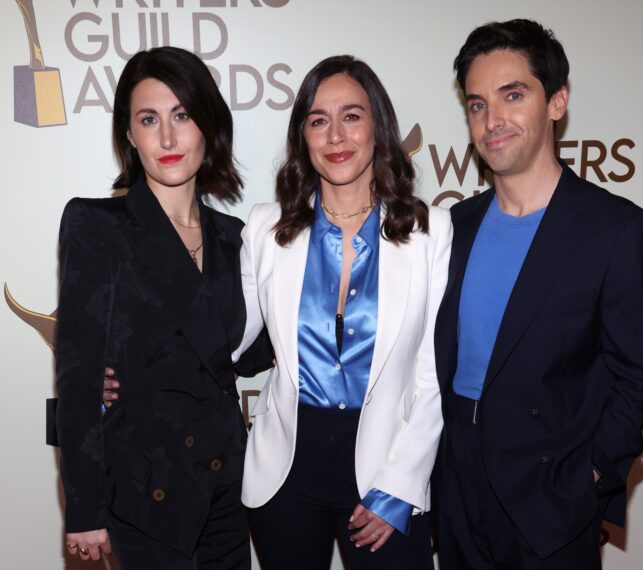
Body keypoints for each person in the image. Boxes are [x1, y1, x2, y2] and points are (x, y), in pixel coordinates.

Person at [432, 19, 643, 569]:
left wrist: (588, 474)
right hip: (456, 489)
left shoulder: (614, 229)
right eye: (477, 104)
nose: (493, 120)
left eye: (513, 95)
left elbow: (641, 376)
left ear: (557, 102)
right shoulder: (452, 226)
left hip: (550, 496)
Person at [231, 55, 451, 569]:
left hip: (386, 464)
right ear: (302, 137)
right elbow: (224, 339)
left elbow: (434, 371)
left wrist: (400, 486)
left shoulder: (430, 231)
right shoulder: (265, 229)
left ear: (379, 127)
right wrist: (128, 371)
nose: (335, 135)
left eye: (351, 116)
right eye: (318, 120)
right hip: (285, 467)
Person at [56, 46, 270, 569]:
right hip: (142, 494)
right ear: (130, 135)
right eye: (149, 120)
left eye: (182, 116)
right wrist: (84, 507)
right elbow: (77, 376)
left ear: (208, 126)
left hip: (226, 491)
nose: (168, 139)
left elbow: (248, 353)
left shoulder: (236, 238)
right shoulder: (96, 226)